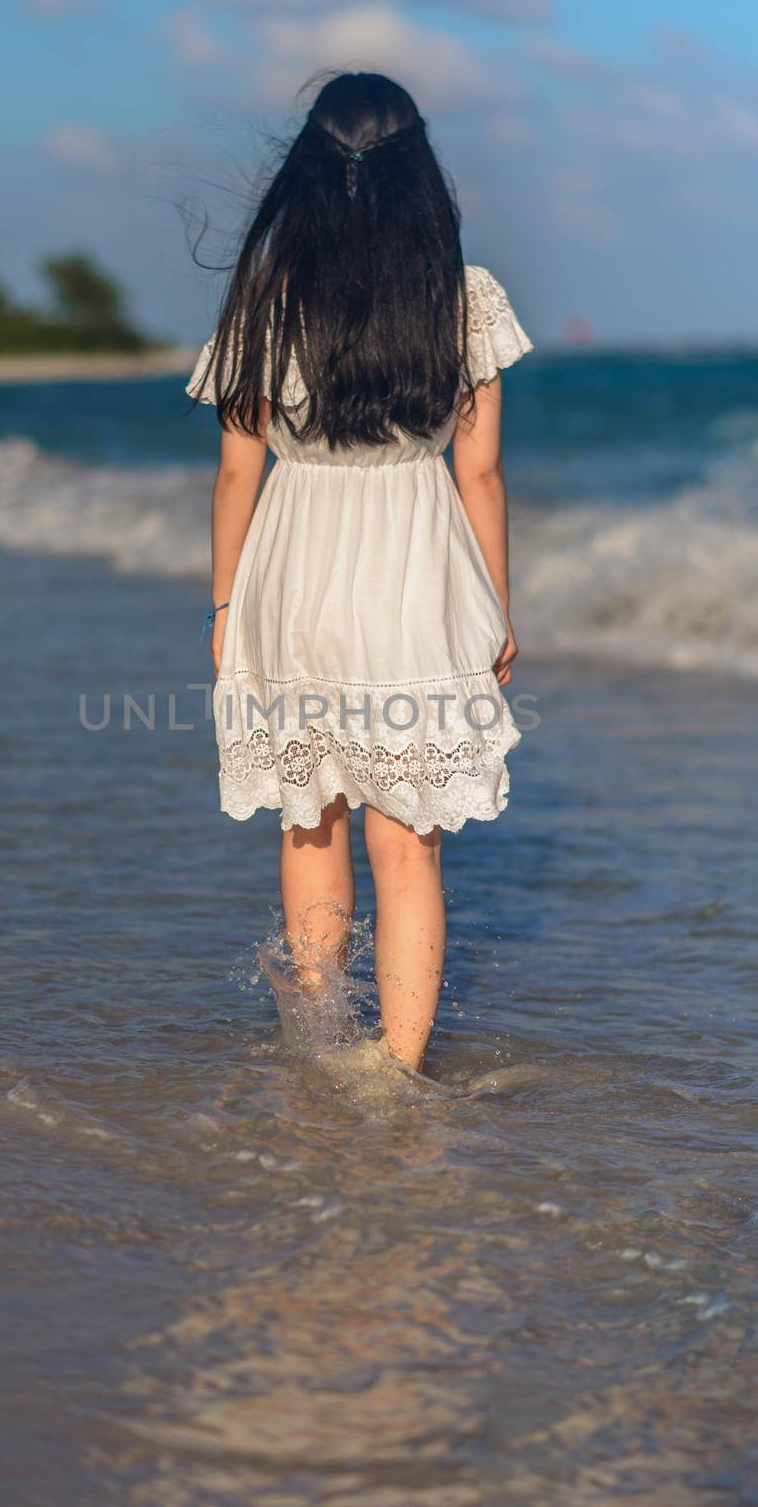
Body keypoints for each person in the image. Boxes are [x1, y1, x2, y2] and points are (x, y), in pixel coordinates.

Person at [186, 72, 533, 1073]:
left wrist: (223, 602)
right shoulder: (464, 301)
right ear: (419, 178)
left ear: (302, 177)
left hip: (292, 574)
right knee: (408, 836)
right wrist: (495, 607)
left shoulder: (264, 303)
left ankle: (317, 1035)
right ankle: (397, 1065)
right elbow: (479, 471)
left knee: (310, 818)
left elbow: (237, 470)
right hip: (417, 577)